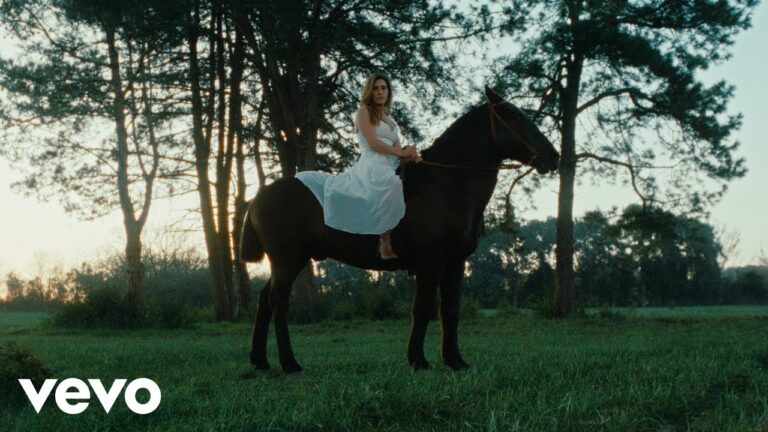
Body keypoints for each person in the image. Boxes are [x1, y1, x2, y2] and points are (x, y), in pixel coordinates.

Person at [295, 73, 420, 259]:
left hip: (390, 163)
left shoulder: (391, 122)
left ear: (388, 92)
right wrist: (401, 153)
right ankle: (385, 240)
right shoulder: (363, 112)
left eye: (383, 88)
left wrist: (409, 155)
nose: (380, 92)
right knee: (392, 184)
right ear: (370, 92)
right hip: (372, 163)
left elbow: (397, 151)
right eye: (376, 88)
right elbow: (373, 143)